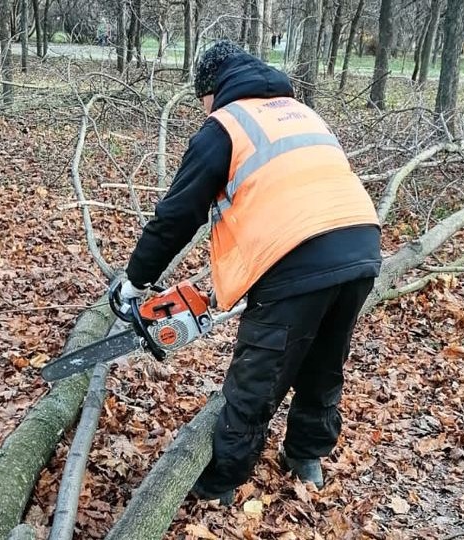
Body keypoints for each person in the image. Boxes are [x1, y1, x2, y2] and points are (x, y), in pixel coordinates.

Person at [115, 40, 382, 504]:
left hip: (296, 258)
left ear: (211, 90)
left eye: (202, 100)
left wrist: (134, 280)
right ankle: (307, 457)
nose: (204, 109)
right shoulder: (301, 113)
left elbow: (177, 214)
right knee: (324, 361)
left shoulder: (225, 125)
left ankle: (220, 482)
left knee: (257, 377)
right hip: (360, 245)